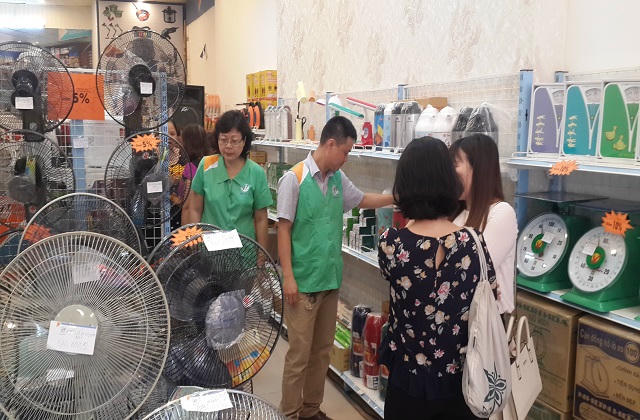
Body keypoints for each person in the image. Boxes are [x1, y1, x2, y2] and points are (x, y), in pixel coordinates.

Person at [277, 116, 394, 420]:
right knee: (299, 356)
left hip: (329, 280)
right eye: (345, 152)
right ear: (330, 144)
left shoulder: (338, 180)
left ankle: (310, 410)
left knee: (321, 353)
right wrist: (288, 277)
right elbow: (284, 230)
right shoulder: (294, 178)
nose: (346, 158)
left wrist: (394, 197)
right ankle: (290, 413)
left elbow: (363, 200)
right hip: (302, 284)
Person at [378, 137, 496, 420]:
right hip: (462, 382)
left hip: (407, 382)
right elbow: (493, 293)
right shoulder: (472, 241)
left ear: (404, 185)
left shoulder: (392, 243)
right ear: (448, 181)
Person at [181, 110, 272, 250]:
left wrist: (262, 252)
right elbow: (195, 209)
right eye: (223, 140)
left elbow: (261, 218)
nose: (228, 146)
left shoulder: (256, 172)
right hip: (210, 251)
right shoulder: (206, 165)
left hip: (245, 252)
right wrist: (195, 242)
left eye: (234, 141)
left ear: (244, 141)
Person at [450, 134, 517, 314]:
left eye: (455, 164)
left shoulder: (501, 213)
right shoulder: (457, 212)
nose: (449, 173)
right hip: (457, 316)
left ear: (479, 169)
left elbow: (474, 272)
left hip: (484, 323)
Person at [171, 124, 209, 230]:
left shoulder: (190, 168)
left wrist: (171, 197)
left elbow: (186, 202)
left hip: (192, 223)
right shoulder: (210, 163)